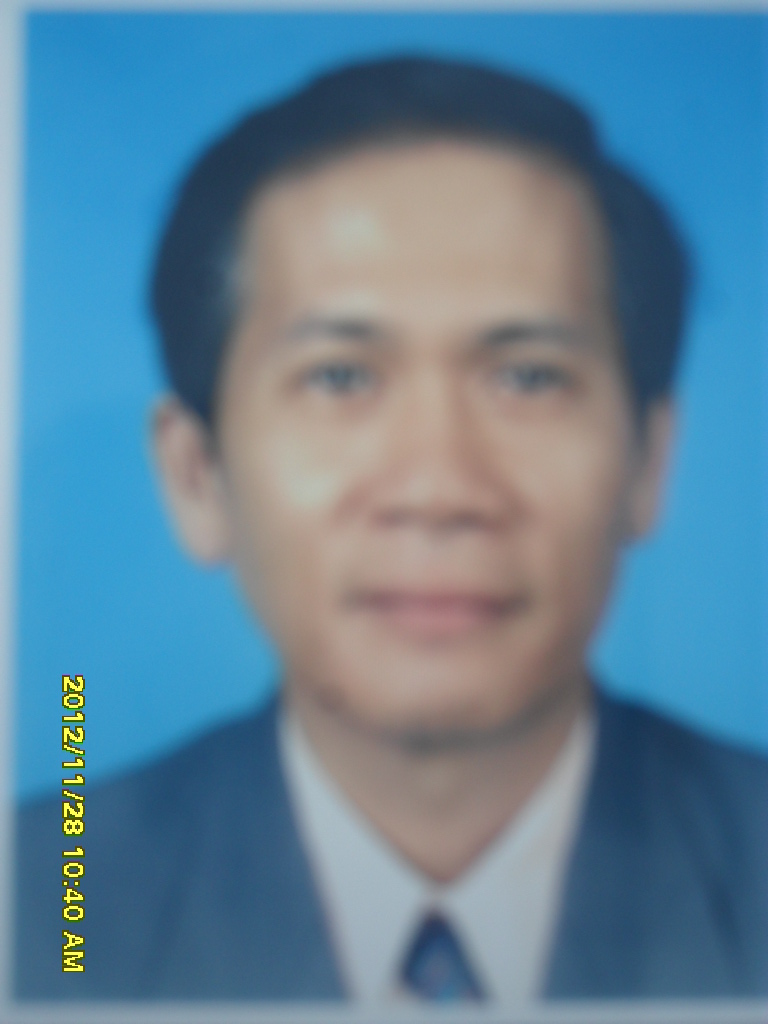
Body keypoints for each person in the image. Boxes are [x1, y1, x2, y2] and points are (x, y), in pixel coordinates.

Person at [16, 55, 768, 1004]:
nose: (440, 488)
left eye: (529, 377)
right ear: (197, 475)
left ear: (647, 464)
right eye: (340, 377)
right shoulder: (51, 901)